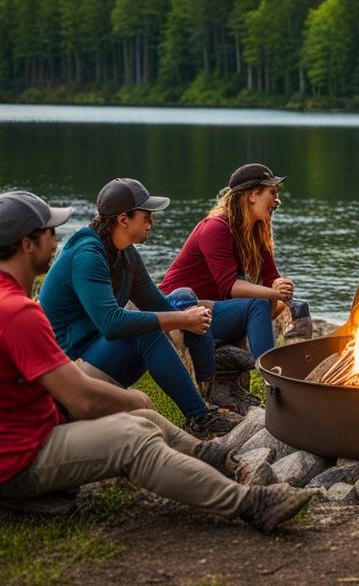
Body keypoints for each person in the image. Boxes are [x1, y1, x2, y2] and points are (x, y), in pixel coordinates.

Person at [0, 190, 311, 532]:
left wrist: (187, 329)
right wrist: (131, 398)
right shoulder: (17, 311)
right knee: (131, 436)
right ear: (28, 244)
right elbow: (84, 400)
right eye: (49, 231)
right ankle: (248, 505)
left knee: (138, 420)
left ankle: (200, 454)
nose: (55, 237)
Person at [39, 178, 234, 438]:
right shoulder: (87, 254)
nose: (151, 222)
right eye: (146, 216)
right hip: (70, 376)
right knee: (145, 329)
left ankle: (208, 392)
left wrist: (190, 317)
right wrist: (182, 320)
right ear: (123, 219)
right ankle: (198, 418)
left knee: (184, 299)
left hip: (99, 356)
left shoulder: (125, 254)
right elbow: (112, 323)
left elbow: (158, 305)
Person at [160, 163, 295, 363]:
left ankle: (276, 371)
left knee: (276, 305)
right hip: (181, 312)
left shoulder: (256, 229)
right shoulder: (216, 228)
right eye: (272, 193)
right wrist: (274, 293)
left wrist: (279, 284)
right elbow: (229, 286)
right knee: (258, 305)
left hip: (211, 309)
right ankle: (272, 374)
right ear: (252, 195)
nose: (277, 201)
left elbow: (270, 276)